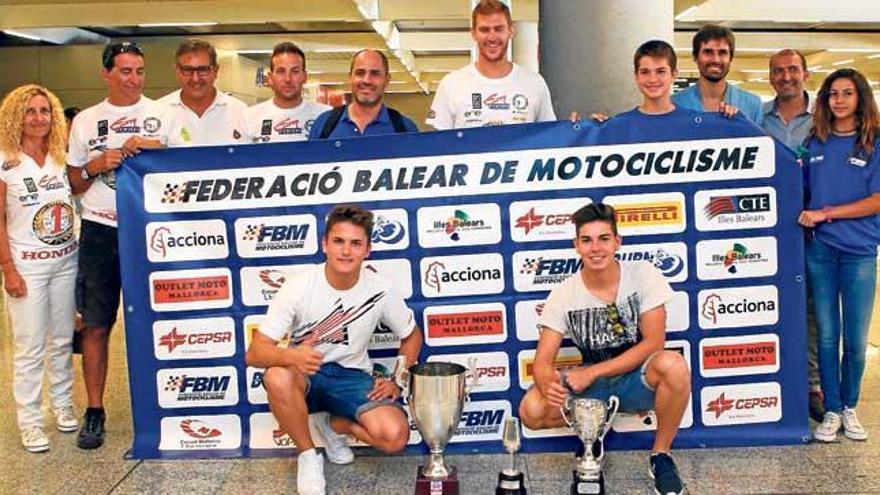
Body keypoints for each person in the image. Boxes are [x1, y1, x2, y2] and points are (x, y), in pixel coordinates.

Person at [245, 205, 423, 495]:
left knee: (394, 437)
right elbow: (254, 354)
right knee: (277, 376)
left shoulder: (381, 289)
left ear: (368, 250)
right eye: (338, 241)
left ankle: (337, 426)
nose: (346, 251)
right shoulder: (298, 287)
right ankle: (308, 456)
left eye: (356, 243)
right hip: (305, 375)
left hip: (351, 376)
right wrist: (292, 356)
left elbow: (412, 336)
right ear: (324, 244)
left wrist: (397, 379)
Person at [519, 203, 690, 495]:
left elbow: (653, 343)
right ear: (576, 246)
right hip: (595, 390)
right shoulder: (564, 292)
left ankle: (660, 455)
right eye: (587, 240)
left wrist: (592, 372)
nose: (595, 248)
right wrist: (549, 385)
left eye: (604, 239)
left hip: (639, 381)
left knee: (673, 365)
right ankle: (592, 432)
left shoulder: (643, 274)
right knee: (531, 410)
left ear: (617, 242)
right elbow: (543, 362)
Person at [67, 41, 171, 449]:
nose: (134, 79)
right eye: (125, 71)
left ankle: (168, 404)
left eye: (140, 71)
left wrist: (154, 150)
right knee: (96, 324)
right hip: (100, 231)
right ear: (106, 73)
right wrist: (96, 165)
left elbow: (183, 169)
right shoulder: (87, 122)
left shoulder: (161, 115)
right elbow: (73, 182)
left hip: (150, 232)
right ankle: (94, 410)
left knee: (159, 319)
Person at [798, 68, 880, 443]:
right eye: (833, 93)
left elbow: (876, 201)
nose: (839, 100)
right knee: (828, 335)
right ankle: (831, 409)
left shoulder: (874, 144)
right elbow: (799, 191)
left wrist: (826, 213)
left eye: (847, 93)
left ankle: (850, 405)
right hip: (821, 251)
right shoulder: (815, 142)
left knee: (856, 340)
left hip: (860, 253)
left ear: (861, 98)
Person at [0, 84, 78, 453]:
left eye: (44, 111)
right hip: (26, 267)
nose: (38, 118)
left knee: (62, 339)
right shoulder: (4, 159)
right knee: (30, 347)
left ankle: (62, 404)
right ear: (17, 116)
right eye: (30, 111)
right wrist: (7, 269)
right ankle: (29, 421)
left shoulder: (60, 155)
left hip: (66, 261)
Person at [762, 48, 824, 422]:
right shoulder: (758, 117)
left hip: (816, 226)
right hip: (769, 228)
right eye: (778, 71)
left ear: (805, 74)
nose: (786, 76)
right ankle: (778, 380)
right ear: (771, 77)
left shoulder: (824, 117)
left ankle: (814, 386)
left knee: (814, 311)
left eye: (792, 70)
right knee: (773, 304)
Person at [425, 0, 555, 129]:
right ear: (474, 34)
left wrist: (572, 129)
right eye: (484, 30)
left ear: (511, 31)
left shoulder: (535, 84)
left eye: (498, 29)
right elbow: (436, 143)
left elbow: (552, 137)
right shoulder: (451, 85)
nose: (492, 37)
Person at [308, 49, 418, 139]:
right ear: (350, 77)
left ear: (386, 80)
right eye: (360, 73)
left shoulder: (405, 129)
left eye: (375, 73)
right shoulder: (323, 125)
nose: (367, 80)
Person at [159, 39, 248, 146]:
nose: (195, 78)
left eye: (203, 70)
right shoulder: (158, 112)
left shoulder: (240, 111)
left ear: (215, 71)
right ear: (177, 71)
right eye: (187, 70)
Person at [672, 24, 762, 124]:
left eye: (722, 53)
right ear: (695, 56)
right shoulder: (675, 103)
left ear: (731, 58)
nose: (715, 59)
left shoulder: (752, 105)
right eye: (708, 52)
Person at [244, 42, 330, 143]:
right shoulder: (248, 118)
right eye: (281, 71)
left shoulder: (326, 116)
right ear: (270, 78)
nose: (288, 79)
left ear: (305, 76)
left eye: (295, 71)